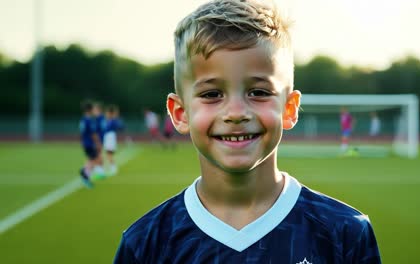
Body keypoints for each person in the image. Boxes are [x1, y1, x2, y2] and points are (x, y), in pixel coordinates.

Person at [114, 1, 381, 263]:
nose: (236, 112)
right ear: (180, 113)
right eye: (212, 94)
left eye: (259, 92)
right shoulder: (146, 243)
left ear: (289, 108)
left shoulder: (344, 232)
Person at [78, 100, 99, 188]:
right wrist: (98, 143)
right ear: (90, 110)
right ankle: (85, 175)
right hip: (90, 143)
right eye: (93, 109)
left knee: (91, 159)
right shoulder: (89, 120)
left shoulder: (83, 119)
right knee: (95, 160)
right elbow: (93, 133)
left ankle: (84, 171)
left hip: (85, 143)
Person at [103, 104, 125, 175]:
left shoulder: (112, 120)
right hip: (109, 137)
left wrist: (115, 116)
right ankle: (113, 167)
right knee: (109, 153)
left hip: (110, 137)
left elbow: (121, 127)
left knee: (109, 153)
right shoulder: (110, 120)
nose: (106, 114)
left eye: (107, 113)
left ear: (110, 113)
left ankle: (113, 168)